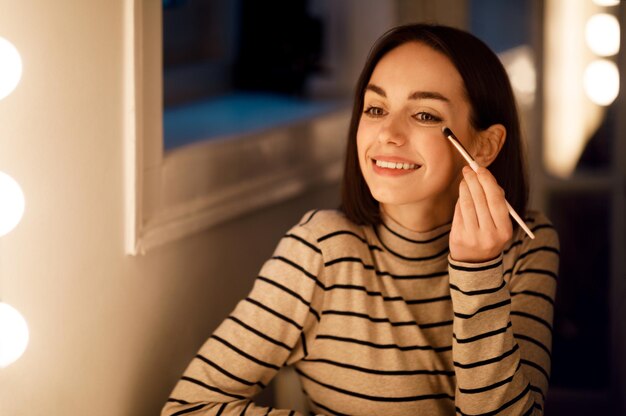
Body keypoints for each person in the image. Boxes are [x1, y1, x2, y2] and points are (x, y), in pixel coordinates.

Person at [161, 23, 559, 416]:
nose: (387, 133)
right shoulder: (320, 251)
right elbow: (187, 408)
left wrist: (479, 272)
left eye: (423, 114)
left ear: (485, 145)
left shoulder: (529, 244)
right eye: (375, 108)